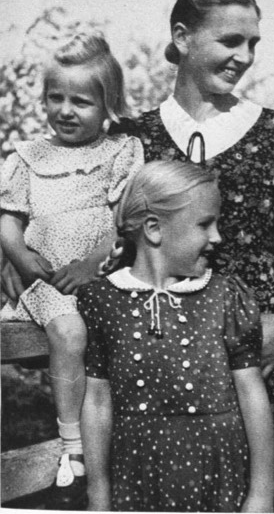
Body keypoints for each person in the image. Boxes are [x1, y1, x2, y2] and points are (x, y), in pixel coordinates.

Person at [106, 0, 274, 511]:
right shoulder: (131, 139)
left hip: (258, 365)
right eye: (230, 41)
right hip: (153, 366)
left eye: (253, 43)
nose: (245, 57)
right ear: (182, 37)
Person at [78, 160, 274, 512]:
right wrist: (98, 493)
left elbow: (252, 393)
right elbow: (97, 401)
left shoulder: (224, 296)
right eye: (205, 224)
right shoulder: (103, 300)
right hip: (136, 472)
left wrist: (261, 493)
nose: (217, 237)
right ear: (154, 229)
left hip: (215, 470)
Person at [0, 32, 144, 510]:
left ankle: (121, 442)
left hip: (98, 278)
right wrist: (21, 257)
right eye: (55, 97)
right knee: (68, 331)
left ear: (108, 105)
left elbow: (122, 223)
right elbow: (7, 221)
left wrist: (92, 264)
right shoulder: (28, 156)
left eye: (80, 101)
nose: (65, 110)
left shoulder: (121, 151)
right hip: (45, 280)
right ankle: (72, 447)